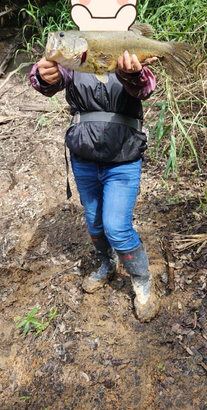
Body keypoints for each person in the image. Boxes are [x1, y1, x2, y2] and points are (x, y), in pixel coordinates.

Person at [29, 50, 159, 322]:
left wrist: (131, 73)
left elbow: (145, 87)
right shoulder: (76, 53)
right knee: (94, 222)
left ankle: (141, 280)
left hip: (124, 158)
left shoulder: (126, 48)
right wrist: (42, 75)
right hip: (84, 158)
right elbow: (51, 80)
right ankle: (107, 263)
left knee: (117, 226)